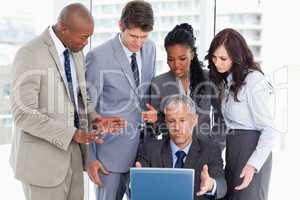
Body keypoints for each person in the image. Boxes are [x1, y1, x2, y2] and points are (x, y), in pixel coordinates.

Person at [9, 3, 125, 200]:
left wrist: (96, 118)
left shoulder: (76, 52)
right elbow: (23, 114)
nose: (86, 43)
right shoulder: (30, 54)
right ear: (64, 29)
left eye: (89, 36)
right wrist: (73, 134)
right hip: (42, 165)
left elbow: (80, 98)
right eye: (83, 37)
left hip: (73, 159)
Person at [85, 1, 156, 199]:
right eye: (134, 36)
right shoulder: (98, 58)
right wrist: (89, 158)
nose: (139, 42)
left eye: (144, 36)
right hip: (109, 156)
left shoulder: (150, 49)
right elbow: (84, 109)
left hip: (144, 154)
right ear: (120, 26)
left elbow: (147, 93)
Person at [205, 28, 278, 200]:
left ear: (237, 57)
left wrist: (253, 165)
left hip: (251, 151)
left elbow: (269, 130)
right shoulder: (229, 81)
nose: (217, 63)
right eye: (214, 58)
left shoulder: (254, 81)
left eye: (223, 58)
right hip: (234, 150)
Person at [142, 23, 225, 149]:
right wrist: (155, 122)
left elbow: (223, 117)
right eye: (170, 59)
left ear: (192, 55)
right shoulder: (158, 83)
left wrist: (214, 147)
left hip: (204, 153)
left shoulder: (210, 79)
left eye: (182, 59)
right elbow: (155, 131)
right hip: (172, 156)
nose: (176, 65)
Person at [136, 94, 227, 200]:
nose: (177, 127)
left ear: (194, 120)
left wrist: (211, 185)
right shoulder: (150, 149)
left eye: (182, 120)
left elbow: (221, 185)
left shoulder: (210, 151)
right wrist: (136, 182)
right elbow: (136, 187)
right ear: (165, 122)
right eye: (171, 121)